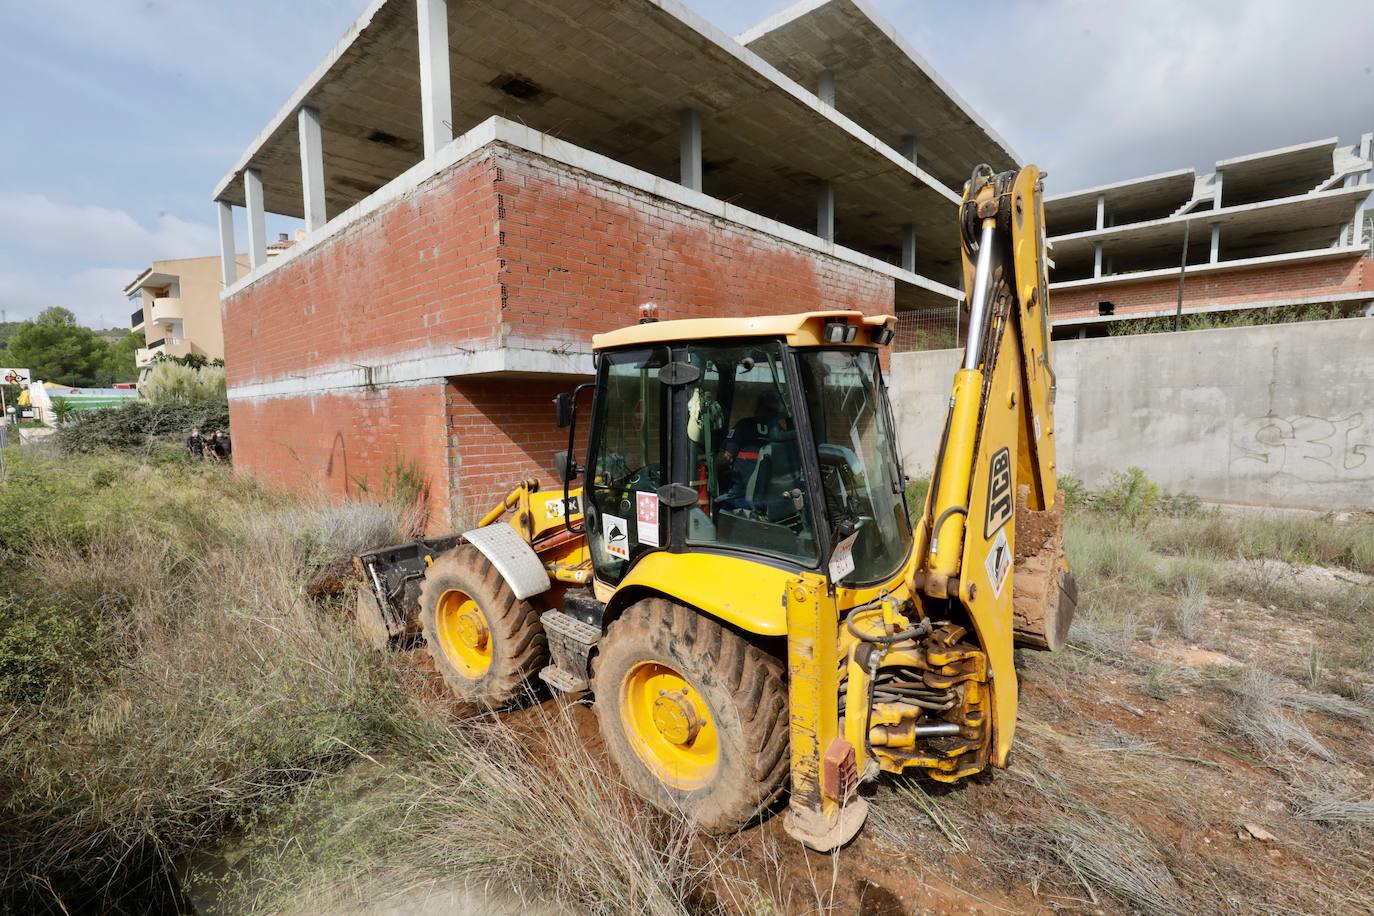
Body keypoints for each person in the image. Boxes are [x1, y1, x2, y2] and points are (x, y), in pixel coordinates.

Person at [716, 389, 789, 511]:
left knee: (714, 504)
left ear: (759, 407)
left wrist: (710, 462)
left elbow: (725, 458)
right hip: (771, 499)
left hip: (741, 497)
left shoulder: (745, 425)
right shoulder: (782, 433)